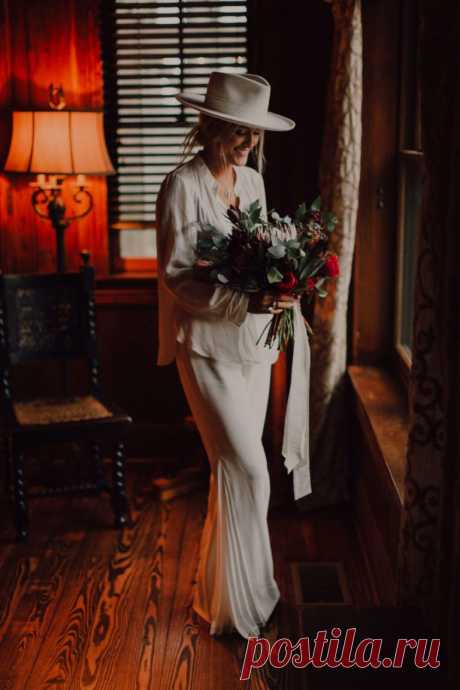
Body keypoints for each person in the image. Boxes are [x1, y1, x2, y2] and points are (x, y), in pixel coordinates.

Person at [155, 71, 312, 640]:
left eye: (254, 135)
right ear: (211, 125)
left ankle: (227, 598)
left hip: (249, 347)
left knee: (239, 472)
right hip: (203, 347)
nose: (248, 145)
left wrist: (282, 285)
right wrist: (240, 300)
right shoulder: (181, 186)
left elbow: (264, 253)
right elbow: (176, 278)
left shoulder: (252, 184)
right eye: (239, 133)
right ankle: (242, 598)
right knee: (247, 469)